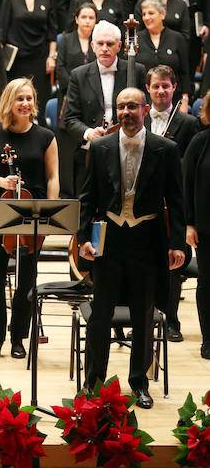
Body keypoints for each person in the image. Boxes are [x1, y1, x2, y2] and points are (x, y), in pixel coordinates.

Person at [78, 86, 185, 408]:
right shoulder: (99, 147)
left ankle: (139, 383)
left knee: (143, 315)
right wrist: (84, 238)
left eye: (132, 107)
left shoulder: (165, 149)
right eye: (121, 107)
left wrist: (177, 242)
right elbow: (88, 198)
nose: (126, 112)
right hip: (108, 240)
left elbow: (177, 202)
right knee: (100, 315)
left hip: (147, 241)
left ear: (144, 108)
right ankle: (93, 383)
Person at [0, 78, 58, 360]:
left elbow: (53, 176)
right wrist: (2, 181)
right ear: (9, 102)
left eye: (29, 98)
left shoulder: (46, 136)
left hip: (33, 213)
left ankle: (19, 337)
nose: (25, 103)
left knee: (26, 279)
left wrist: (49, 210)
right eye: (19, 98)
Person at [145, 65, 199, 343]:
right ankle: (144, 318)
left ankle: (171, 320)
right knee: (143, 264)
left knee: (172, 263)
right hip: (144, 204)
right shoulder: (139, 120)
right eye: (156, 86)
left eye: (166, 86)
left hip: (173, 204)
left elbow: (189, 169)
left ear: (174, 88)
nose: (161, 91)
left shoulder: (188, 124)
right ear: (148, 89)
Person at [62, 20, 146, 197]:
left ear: (119, 46)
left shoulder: (136, 70)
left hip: (128, 148)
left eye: (110, 44)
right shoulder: (79, 75)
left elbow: (146, 111)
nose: (105, 48)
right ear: (93, 45)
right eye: (100, 44)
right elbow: (69, 119)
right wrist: (88, 132)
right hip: (91, 151)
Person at [0, 0, 58, 122]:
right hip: (17, 59)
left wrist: (52, 57)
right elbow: (3, 29)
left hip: (40, 57)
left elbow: (52, 31)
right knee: (16, 101)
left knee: (39, 103)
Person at [56, 3, 97, 197]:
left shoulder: (99, 41)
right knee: (66, 151)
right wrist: (76, 87)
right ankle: (66, 194)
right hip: (67, 97)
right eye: (84, 17)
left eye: (91, 17)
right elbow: (60, 68)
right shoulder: (65, 40)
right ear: (77, 19)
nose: (88, 21)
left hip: (92, 100)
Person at [184, 92, 210, 360]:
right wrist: (189, 223)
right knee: (208, 281)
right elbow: (186, 184)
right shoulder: (200, 142)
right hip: (205, 226)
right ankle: (209, 339)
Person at [135, 0, 192, 102]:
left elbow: (184, 72)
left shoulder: (177, 38)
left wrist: (185, 99)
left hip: (173, 100)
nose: (147, 17)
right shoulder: (136, 39)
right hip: (144, 101)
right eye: (144, 14)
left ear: (163, 14)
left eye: (151, 13)